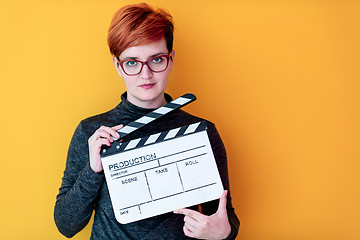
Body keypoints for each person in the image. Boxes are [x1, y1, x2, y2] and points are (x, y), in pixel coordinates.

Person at [54, 3, 240, 239]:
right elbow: (66, 225)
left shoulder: (201, 132)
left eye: (156, 59)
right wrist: (93, 170)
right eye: (132, 62)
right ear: (117, 66)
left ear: (170, 60)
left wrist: (224, 233)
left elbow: (224, 216)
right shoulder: (91, 133)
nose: (146, 74)